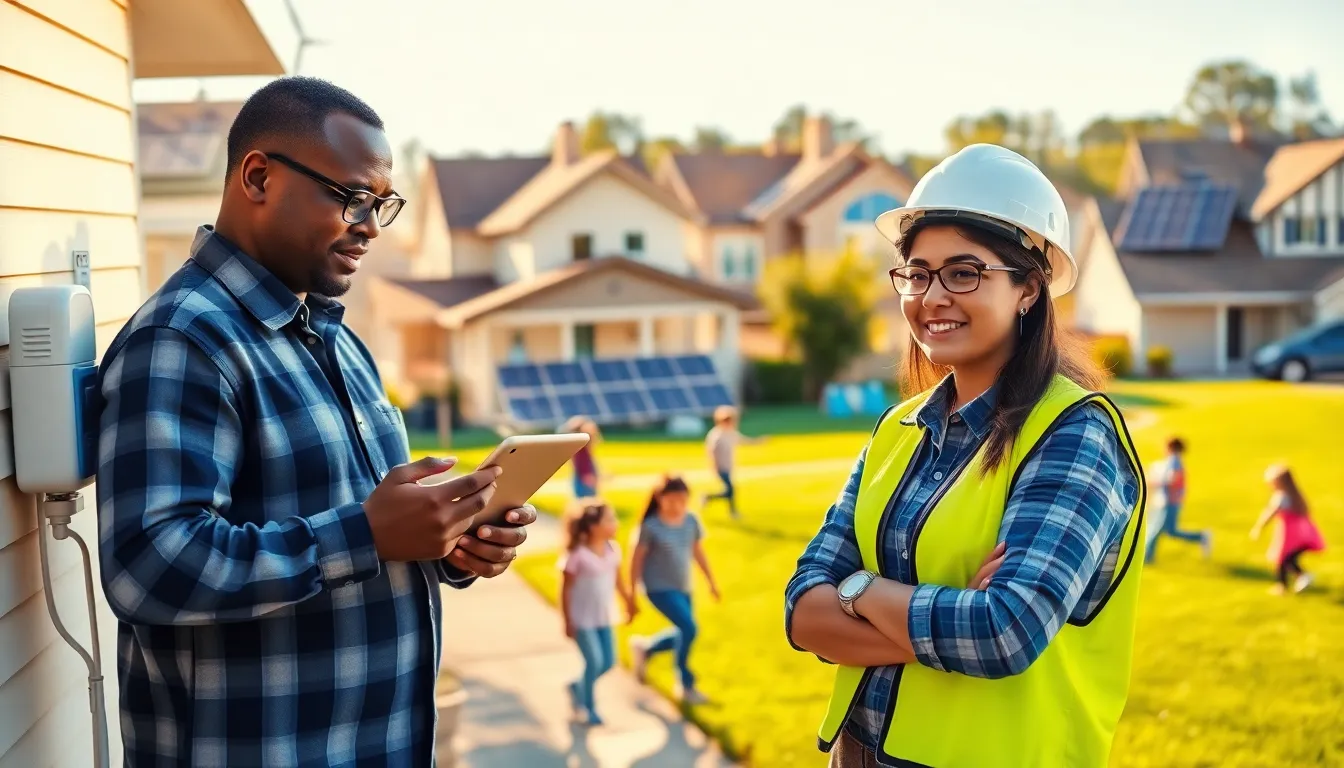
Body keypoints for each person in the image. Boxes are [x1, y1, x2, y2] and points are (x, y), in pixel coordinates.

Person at [95, 77, 537, 767]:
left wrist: (448, 544)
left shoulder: (336, 339)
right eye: (352, 198)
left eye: (381, 204)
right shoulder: (184, 340)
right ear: (259, 176)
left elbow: (368, 530)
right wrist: (364, 533)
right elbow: (149, 565)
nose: (368, 225)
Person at [784, 144, 1146, 768]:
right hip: (860, 754)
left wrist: (861, 588)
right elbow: (802, 610)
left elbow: (1003, 632)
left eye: (964, 272)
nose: (932, 296)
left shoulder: (1073, 434)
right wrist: (943, 611)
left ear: (1029, 288)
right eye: (917, 273)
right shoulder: (898, 429)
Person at [628, 475, 720, 705]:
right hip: (658, 588)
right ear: (659, 499)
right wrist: (631, 594)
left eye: (682, 500)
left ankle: (645, 649)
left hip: (683, 587)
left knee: (684, 630)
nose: (677, 506)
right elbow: (636, 560)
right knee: (689, 628)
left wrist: (711, 582)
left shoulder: (691, 521)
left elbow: (698, 552)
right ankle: (685, 685)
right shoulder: (650, 526)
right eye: (672, 500)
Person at [559, 498, 636, 725]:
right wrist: (567, 620)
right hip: (582, 620)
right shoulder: (577, 556)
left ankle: (577, 686)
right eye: (610, 520)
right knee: (593, 663)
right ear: (593, 527)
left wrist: (629, 603)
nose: (616, 524)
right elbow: (565, 590)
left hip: (604, 617)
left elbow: (619, 582)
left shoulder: (614, 550)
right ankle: (588, 707)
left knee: (608, 662)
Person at [1251, 464, 1325, 595]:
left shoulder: (1281, 497)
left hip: (1290, 535)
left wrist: (1258, 528)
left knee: (1282, 559)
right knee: (1288, 559)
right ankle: (1300, 578)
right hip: (1302, 534)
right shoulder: (1296, 495)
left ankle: (1286, 585)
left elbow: (1270, 513)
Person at [1145, 436, 1212, 563]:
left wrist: (1154, 482)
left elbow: (1173, 479)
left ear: (1170, 447)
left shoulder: (1174, 460)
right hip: (1169, 501)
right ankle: (1201, 537)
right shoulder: (1174, 460)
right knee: (1170, 531)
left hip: (1169, 502)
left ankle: (1147, 559)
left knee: (1156, 530)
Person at [702, 405, 763, 519]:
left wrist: (758, 441)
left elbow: (744, 441)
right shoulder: (716, 436)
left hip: (728, 466)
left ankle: (709, 498)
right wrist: (715, 466)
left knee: (729, 490)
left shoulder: (731, 433)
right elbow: (712, 452)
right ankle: (732, 511)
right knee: (730, 489)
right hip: (721, 467)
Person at [562, 415, 603, 498]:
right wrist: (593, 480)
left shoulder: (581, 448)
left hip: (584, 482)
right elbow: (583, 469)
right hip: (585, 483)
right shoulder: (581, 449)